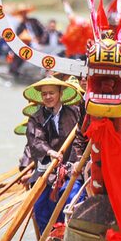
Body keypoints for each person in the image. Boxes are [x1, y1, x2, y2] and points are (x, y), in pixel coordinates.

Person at [23, 77, 84, 232]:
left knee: (71, 199)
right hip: (46, 167)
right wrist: (50, 152)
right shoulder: (36, 117)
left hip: (71, 167)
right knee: (40, 206)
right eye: (44, 94)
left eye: (51, 93)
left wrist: (76, 162)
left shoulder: (75, 113)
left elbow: (81, 139)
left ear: (60, 93)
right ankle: (49, 239)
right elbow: (35, 141)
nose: (48, 97)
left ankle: (68, 234)